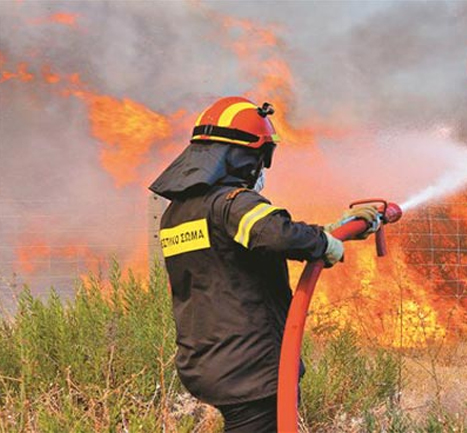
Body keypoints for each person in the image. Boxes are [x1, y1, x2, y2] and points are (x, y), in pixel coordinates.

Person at [149, 96, 378, 432]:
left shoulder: (179, 212)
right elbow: (277, 235)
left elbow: (244, 247)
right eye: (261, 157)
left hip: (209, 360)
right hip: (250, 367)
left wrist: (328, 233)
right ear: (244, 157)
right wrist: (324, 244)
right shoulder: (232, 203)